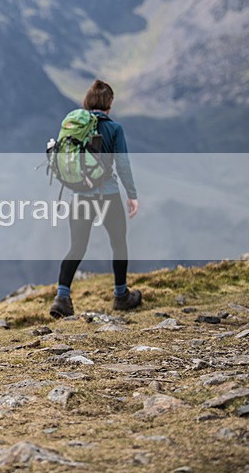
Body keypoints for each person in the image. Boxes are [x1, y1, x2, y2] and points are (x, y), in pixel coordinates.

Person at [49, 79, 141, 319]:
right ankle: (121, 296)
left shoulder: (76, 127)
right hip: (107, 194)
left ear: (87, 102)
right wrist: (131, 195)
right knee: (118, 243)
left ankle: (62, 297)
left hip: (79, 195)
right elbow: (122, 164)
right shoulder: (114, 129)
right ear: (109, 103)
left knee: (77, 246)